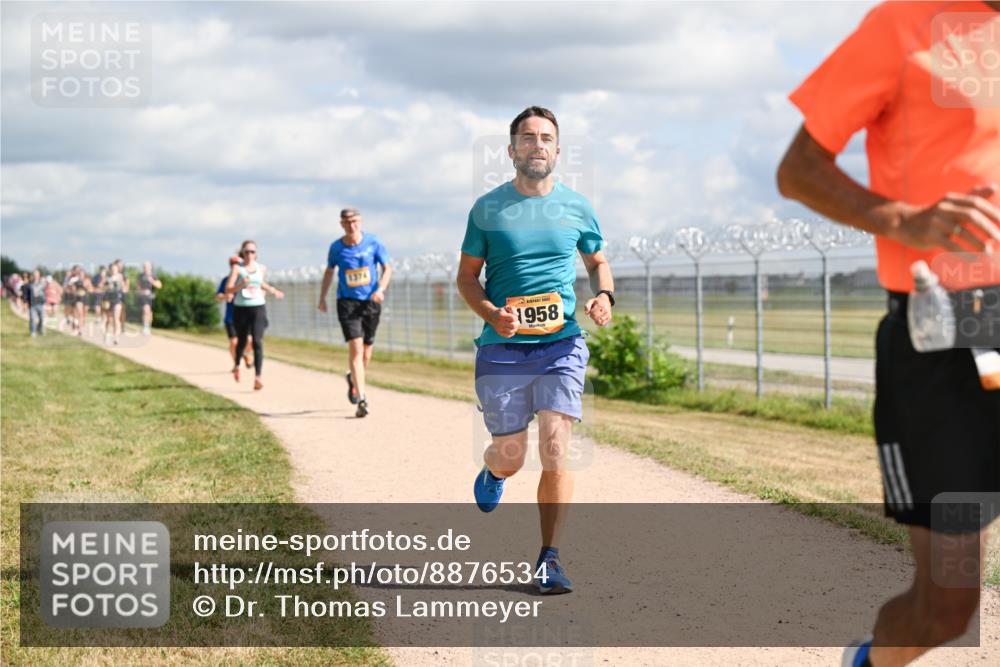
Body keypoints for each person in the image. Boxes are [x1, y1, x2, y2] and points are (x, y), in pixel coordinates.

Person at [776, 3, 1000, 665]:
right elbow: (799, 170)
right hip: (951, 336)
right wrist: (903, 220)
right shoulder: (903, 24)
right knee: (946, 605)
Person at [456, 106, 615, 594]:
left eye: (546, 138)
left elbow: (598, 260)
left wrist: (604, 294)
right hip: (502, 347)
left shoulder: (577, 207)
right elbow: (466, 278)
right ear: (511, 150)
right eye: (527, 138)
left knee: (554, 446)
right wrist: (492, 315)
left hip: (562, 343)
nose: (537, 145)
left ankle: (549, 559)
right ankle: (494, 470)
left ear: (558, 150)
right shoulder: (487, 209)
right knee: (511, 454)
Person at [318, 208, 393, 418]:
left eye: (355, 221)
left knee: (367, 351)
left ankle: (353, 378)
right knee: (356, 347)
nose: (352, 225)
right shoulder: (336, 247)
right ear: (341, 224)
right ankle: (362, 398)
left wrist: (381, 289)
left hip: (371, 301)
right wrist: (322, 297)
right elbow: (329, 272)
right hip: (347, 303)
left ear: (360, 222)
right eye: (347, 222)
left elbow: (387, 268)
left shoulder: (373, 242)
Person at [225, 240, 283, 390]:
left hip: (258, 307)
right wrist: (241, 285)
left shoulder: (261, 268)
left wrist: (272, 290)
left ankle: (258, 377)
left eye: (252, 252)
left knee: (257, 341)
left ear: (256, 254)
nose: (250, 254)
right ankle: (237, 364)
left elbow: (260, 283)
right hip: (241, 308)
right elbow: (229, 289)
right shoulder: (237, 269)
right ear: (242, 253)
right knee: (242, 341)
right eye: (247, 252)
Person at [216, 255, 253, 370]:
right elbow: (218, 296)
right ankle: (236, 364)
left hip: (245, 316)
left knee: (250, 340)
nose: (234, 266)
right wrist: (226, 295)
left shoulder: (245, 280)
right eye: (232, 264)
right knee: (234, 342)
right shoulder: (226, 281)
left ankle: (245, 354)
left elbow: (252, 295)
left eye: (237, 264)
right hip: (231, 317)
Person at [103, 262, 127, 345]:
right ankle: (107, 334)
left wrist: (121, 288)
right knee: (109, 319)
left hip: (117, 299)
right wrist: (108, 287)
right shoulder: (108, 278)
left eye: (115, 269)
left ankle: (116, 337)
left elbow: (124, 288)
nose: (113, 270)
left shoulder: (121, 277)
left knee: (116, 318)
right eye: (112, 269)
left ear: (117, 269)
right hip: (109, 299)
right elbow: (104, 287)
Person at [137, 261, 162, 335]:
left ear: (150, 267)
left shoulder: (154, 275)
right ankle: (145, 327)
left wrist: (152, 281)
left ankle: (148, 327)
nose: (145, 268)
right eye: (144, 266)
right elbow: (138, 285)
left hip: (151, 297)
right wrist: (141, 291)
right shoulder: (140, 275)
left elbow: (159, 285)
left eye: (147, 266)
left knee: (150, 313)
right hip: (143, 297)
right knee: (145, 310)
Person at [27, 270, 46, 337]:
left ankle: (39, 329)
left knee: (42, 319)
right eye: (34, 274)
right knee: (32, 318)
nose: (36, 276)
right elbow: (28, 294)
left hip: (40, 303)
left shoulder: (42, 282)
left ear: (39, 275)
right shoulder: (30, 284)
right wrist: (27, 301)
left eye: (37, 274)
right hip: (32, 304)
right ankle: (33, 331)